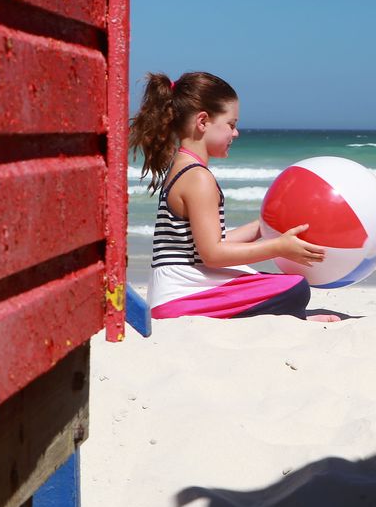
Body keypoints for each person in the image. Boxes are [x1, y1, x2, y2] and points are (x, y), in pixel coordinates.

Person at [130, 71, 339, 322]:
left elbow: (208, 242)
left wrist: (261, 228)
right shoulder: (198, 178)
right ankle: (292, 316)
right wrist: (277, 248)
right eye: (231, 124)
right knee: (296, 287)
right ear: (203, 121)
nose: (236, 133)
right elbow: (213, 255)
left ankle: (286, 314)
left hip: (173, 294)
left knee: (271, 281)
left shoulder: (183, 168)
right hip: (183, 299)